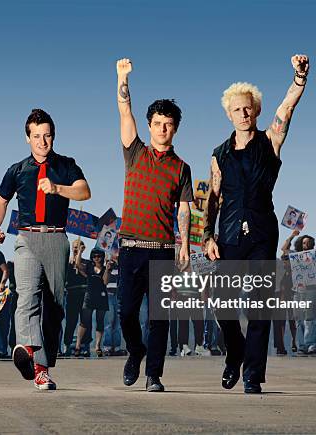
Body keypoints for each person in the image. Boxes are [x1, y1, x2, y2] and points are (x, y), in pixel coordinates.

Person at [203, 54, 311, 394]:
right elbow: (212, 199)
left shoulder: (271, 142)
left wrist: (298, 79)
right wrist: (207, 235)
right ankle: (234, 351)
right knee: (223, 304)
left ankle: (252, 374)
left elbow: (288, 109)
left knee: (261, 304)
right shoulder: (218, 154)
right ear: (228, 114)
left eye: (248, 108)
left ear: (257, 110)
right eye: (236, 109)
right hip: (229, 236)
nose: (243, 114)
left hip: (263, 232)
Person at [0, 108, 91, 390]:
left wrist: (58, 188)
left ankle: (41, 356)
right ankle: (35, 361)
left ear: (53, 136)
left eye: (46, 136)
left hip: (57, 240)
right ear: (27, 138)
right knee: (26, 298)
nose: (42, 142)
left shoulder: (66, 165)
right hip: (27, 239)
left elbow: (84, 191)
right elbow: (0, 201)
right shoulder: (17, 170)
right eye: (36, 136)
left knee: (55, 308)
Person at [115, 58, 194, 392]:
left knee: (160, 318)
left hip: (163, 250)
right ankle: (136, 352)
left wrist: (185, 244)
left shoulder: (182, 168)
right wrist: (122, 79)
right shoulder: (135, 153)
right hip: (131, 248)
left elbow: (185, 209)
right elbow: (124, 111)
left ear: (175, 128)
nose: (163, 128)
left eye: (168, 124)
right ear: (149, 125)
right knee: (126, 314)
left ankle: (153, 375)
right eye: (158, 123)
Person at [74, 249, 110, 357]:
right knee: (84, 321)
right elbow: (78, 265)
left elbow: (105, 282)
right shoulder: (89, 266)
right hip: (89, 296)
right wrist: (80, 251)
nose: (96, 258)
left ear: (102, 257)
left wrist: (107, 270)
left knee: (100, 322)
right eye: (94, 256)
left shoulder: (105, 268)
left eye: (99, 256)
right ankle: (77, 345)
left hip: (101, 296)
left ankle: (98, 346)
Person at [63, 239, 91, 356]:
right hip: (71, 294)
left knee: (85, 321)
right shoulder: (67, 263)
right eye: (74, 247)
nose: (76, 249)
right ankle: (67, 345)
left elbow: (83, 269)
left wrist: (79, 255)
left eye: (78, 246)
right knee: (71, 321)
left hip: (84, 294)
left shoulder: (87, 262)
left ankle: (85, 346)